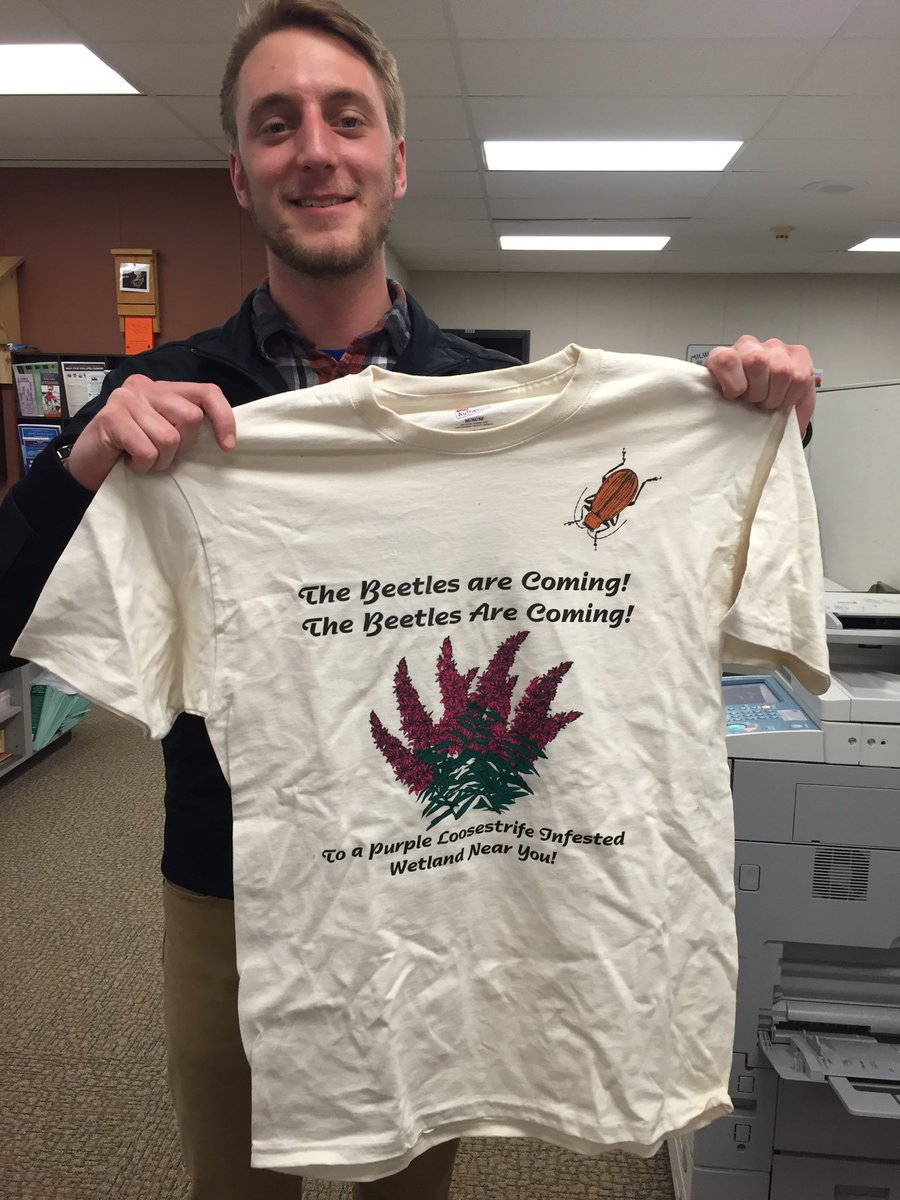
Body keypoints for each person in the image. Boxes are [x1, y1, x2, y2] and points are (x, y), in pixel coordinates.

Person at [0, 1, 819, 1197]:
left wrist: (764, 430)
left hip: (453, 894)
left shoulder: (501, 403)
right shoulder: (164, 406)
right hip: (237, 891)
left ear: (395, 161)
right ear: (239, 171)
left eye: (347, 118)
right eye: (276, 125)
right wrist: (80, 461)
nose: (315, 149)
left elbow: (683, 558)